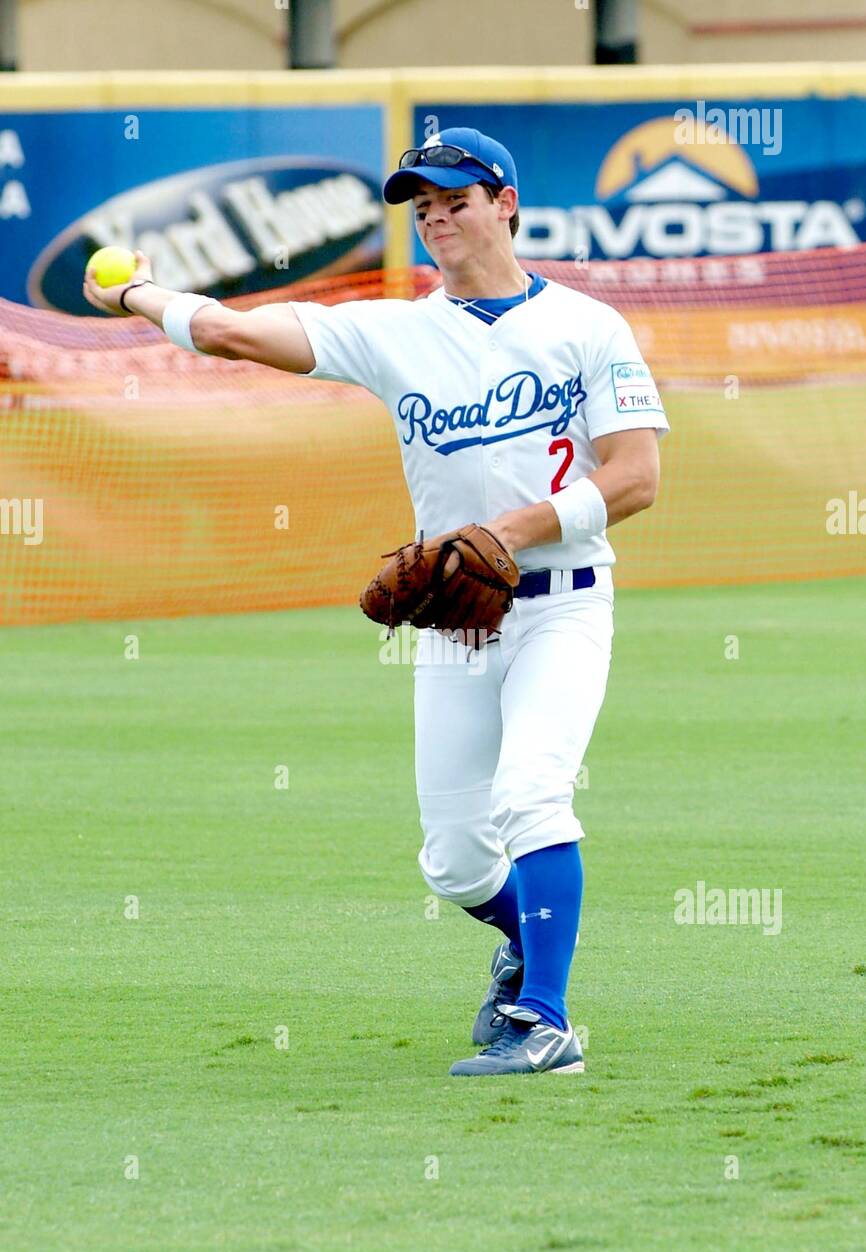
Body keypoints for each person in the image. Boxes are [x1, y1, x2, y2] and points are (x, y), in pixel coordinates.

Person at [83, 127, 669, 1077]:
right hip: (455, 619)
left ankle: (548, 1025)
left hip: (564, 606)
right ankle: (525, 948)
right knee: (455, 862)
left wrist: (509, 532)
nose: (437, 216)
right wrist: (136, 292)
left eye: (455, 198)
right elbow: (234, 332)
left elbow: (638, 476)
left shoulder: (587, 326)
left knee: (530, 794)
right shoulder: (394, 331)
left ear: (504, 202)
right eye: (421, 205)